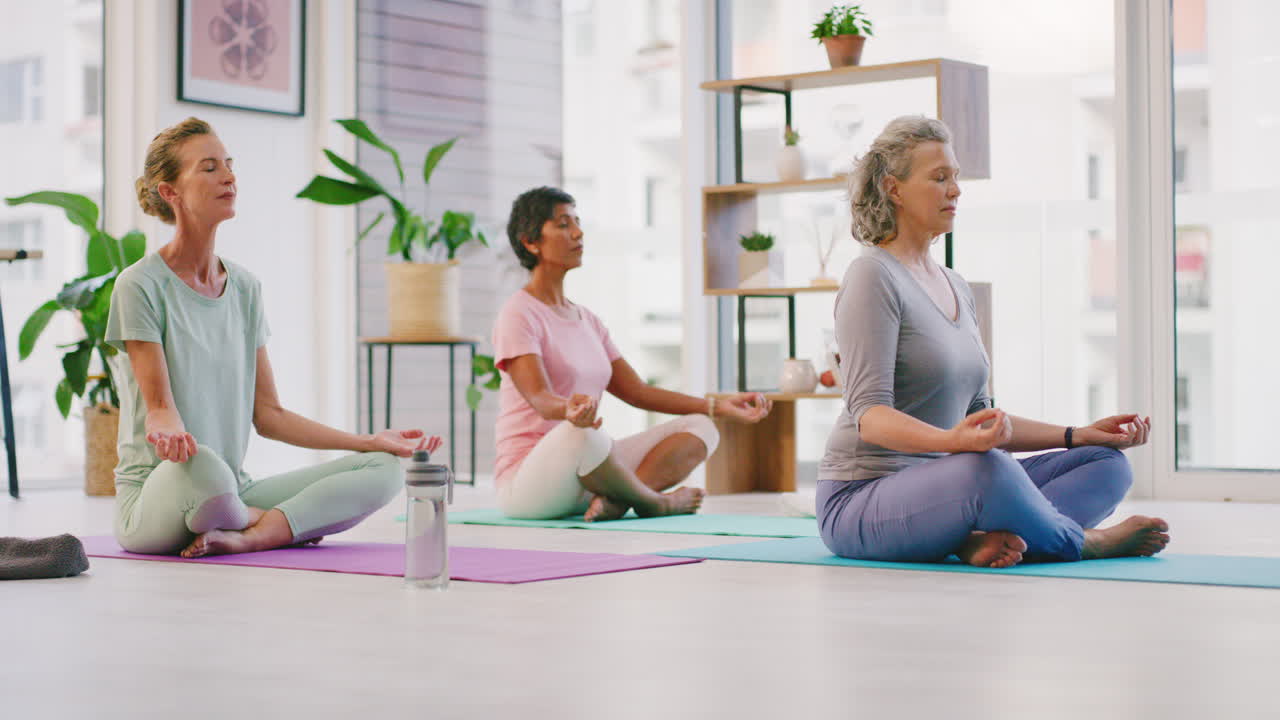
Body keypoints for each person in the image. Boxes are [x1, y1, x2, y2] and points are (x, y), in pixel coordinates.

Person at [818, 116, 1170, 568]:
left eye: (956, 177)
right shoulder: (872, 275)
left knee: (1104, 463)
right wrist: (954, 441)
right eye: (939, 177)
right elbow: (871, 417)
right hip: (863, 500)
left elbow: (980, 421)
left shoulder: (954, 285)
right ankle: (1084, 542)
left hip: (955, 482)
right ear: (894, 189)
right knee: (988, 471)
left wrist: (1075, 434)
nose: (955, 190)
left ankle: (973, 538)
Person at [108, 117, 441, 558]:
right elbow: (159, 409)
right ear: (170, 191)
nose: (228, 176)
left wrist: (369, 440)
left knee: (383, 471)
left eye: (228, 164)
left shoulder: (245, 287)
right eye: (208, 168)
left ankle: (253, 534)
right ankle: (274, 522)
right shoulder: (140, 285)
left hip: (231, 491)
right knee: (205, 466)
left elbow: (269, 415)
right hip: (161, 493)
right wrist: (167, 431)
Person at [493, 186, 772, 521]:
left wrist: (717, 405)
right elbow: (539, 397)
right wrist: (568, 409)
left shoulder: (588, 320)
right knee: (586, 434)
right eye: (564, 224)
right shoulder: (519, 313)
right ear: (530, 241)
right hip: (529, 485)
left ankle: (619, 500)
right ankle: (655, 502)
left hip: (586, 475)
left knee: (702, 427)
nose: (578, 232)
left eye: (578, 222)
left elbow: (638, 392)